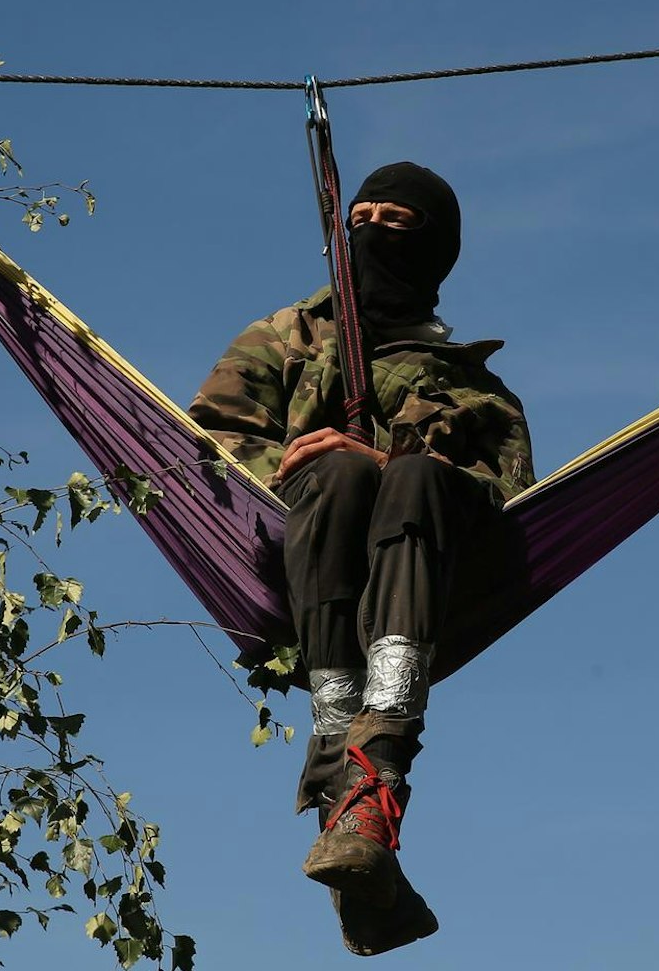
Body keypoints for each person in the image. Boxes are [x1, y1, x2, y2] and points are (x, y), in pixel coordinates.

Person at [188, 162, 534, 955]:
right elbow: (209, 447)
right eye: (361, 215)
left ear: (435, 246)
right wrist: (286, 464)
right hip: (295, 553)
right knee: (335, 470)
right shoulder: (283, 338)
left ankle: (365, 792)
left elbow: (507, 494)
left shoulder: (478, 391)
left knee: (407, 474)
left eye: (398, 221)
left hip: (424, 574)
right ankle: (361, 783)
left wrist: (394, 464)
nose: (373, 231)